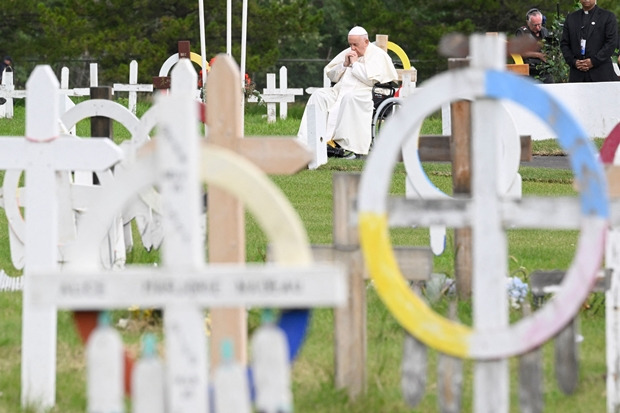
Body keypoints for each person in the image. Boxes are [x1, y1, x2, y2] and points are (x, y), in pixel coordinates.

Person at [297, 26, 398, 158]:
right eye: (350, 44)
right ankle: (307, 141)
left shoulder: (378, 55)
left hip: (367, 93)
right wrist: (344, 65)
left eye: (355, 44)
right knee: (319, 95)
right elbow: (332, 76)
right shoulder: (347, 52)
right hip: (339, 91)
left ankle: (341, 145)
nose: (352, 48)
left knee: (350, 98)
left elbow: (370, 80)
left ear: (366, 42)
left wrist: (355, 64)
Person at [560, 0, 618, 82]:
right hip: (577, 75)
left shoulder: (607, 17)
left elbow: (611, 43)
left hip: (601, 75)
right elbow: (564, 44)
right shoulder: (571, 18)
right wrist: (574, 62)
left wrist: (594, 61)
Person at [515, 8, 553, 83]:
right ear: (528, 22)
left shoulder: (544, 31)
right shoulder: (522, 32)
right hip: (529, 71)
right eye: (534, 25)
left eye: (539, 24)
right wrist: (538, 55)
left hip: (545, 70)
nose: (538, 28)